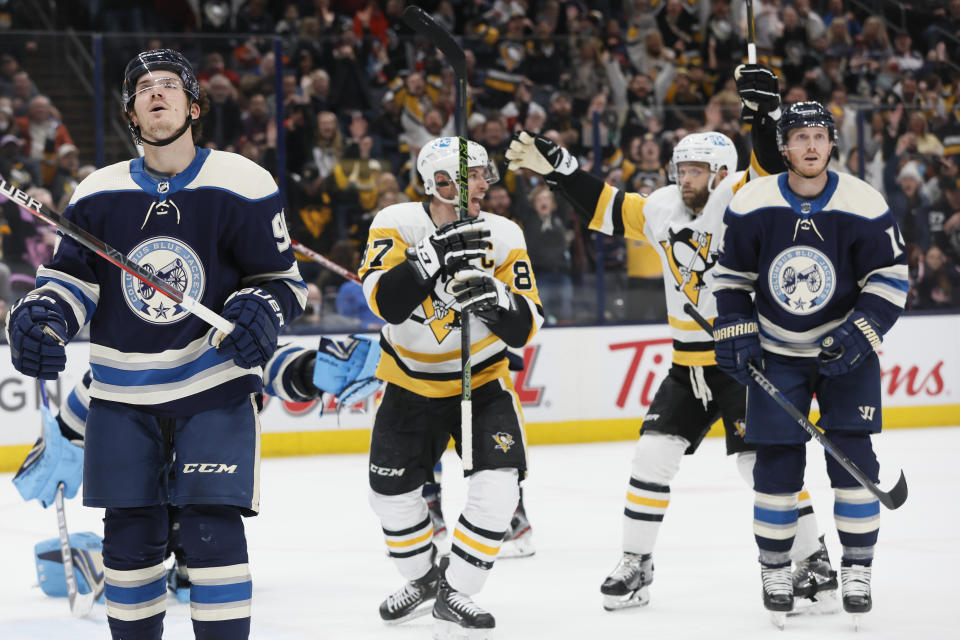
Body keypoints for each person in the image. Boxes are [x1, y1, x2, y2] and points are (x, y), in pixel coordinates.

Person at [505, 64, 837, 613]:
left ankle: (812, 559)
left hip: (743, 360)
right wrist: (560, 170)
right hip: (687, 367)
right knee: (651, 457)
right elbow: (609, 207)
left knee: (760, 466)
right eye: (680, 168)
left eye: (696, 170)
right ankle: (636, 562)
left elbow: (771, 165)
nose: (684, 178)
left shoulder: (745, 199)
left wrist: (765, 114)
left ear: (723, 171)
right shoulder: (662, 207)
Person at [4, 49, 307, 640]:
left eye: (169, 85)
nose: (155, 94)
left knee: (212, 530)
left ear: (194, 106)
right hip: (121, 394)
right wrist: (41, 315)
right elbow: (73, 283)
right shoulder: (97, 191)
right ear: (131, 112)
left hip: (213, 385)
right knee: (130, 537)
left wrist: (260, 309)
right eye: (143, 89)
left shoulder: (243, 181)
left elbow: (282, 283)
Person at [712, 101, 908, 625]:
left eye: (819, 135)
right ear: (784, 147)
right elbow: (730, 278)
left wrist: (863, 330)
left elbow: (890, 279)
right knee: (777, 463)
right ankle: (775, 568)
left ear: (832, 142)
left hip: (847, 354)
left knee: (855, 460)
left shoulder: (863, 201)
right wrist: (734, 326)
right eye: (799, 137)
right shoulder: (752, 202)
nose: (811, 146)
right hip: (778, 354)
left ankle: (858, 569)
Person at [13, 335, 382, 601]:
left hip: (205, 460)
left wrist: (310, 369)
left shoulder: (220, 336)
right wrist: (60, 438)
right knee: (140, 521)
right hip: (150, 460)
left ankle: (189, 561)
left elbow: (267, 359)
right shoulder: (136, 350)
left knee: (205, 513)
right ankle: (153, 561)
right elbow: (95, 386)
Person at [359, 136, 544, 638]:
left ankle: (455, 590)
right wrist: (428, 257)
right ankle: (422, 580)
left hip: (480, 383)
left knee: (499, 488)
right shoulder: (395, 223)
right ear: (442, 182)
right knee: (389, 496)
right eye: (476, 175)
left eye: (485, 173)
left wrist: (495, 298)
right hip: (408, 385)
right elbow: (384, 302)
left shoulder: (503, 233)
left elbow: (526, 328)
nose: (488, 183)